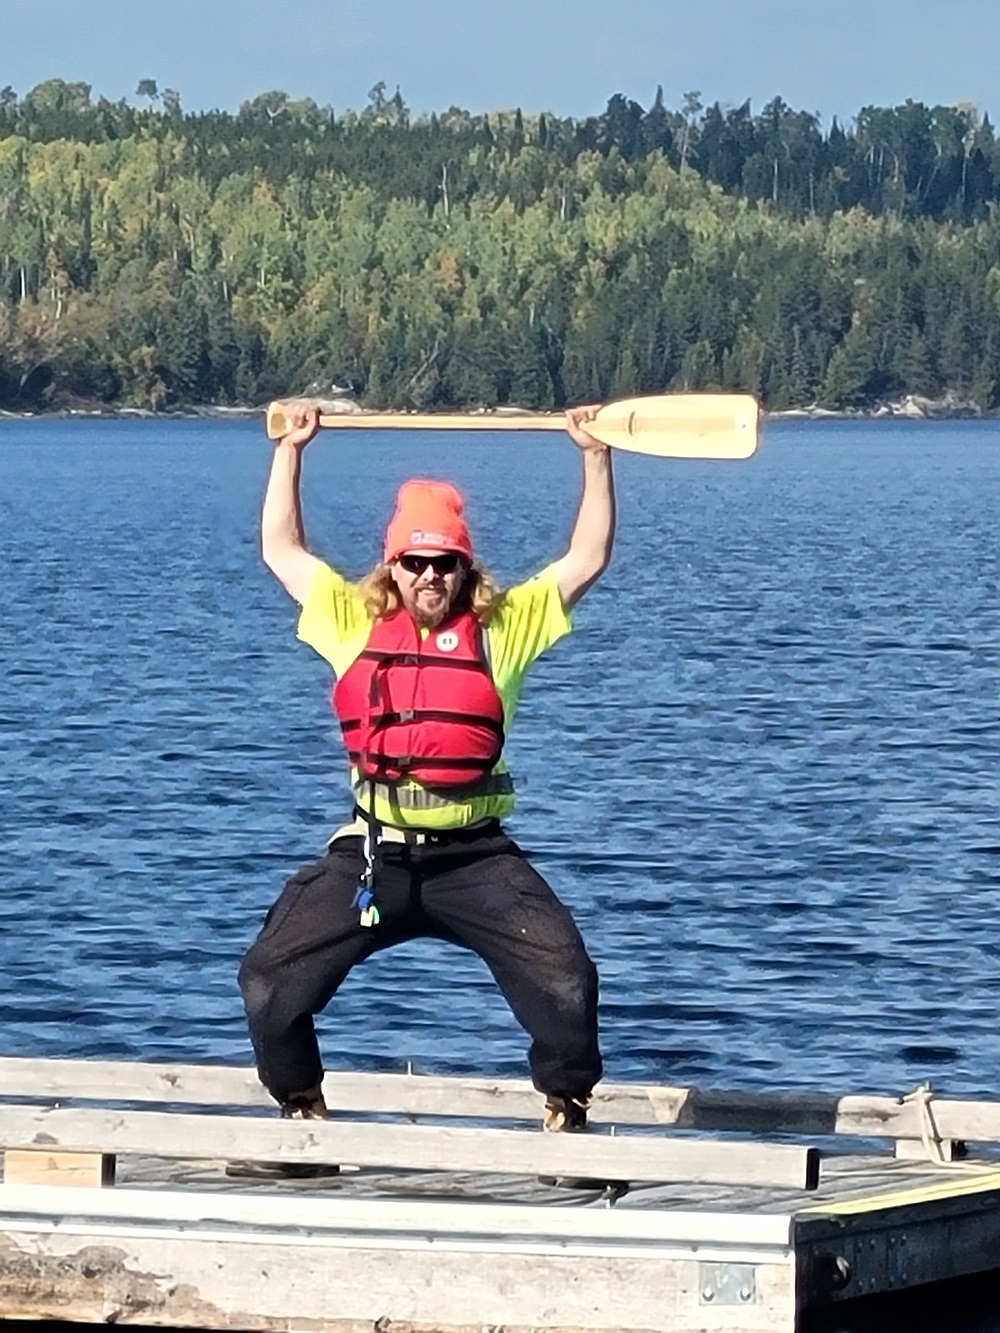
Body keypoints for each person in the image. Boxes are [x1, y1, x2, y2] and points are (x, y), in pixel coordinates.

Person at [238, 402, 616, 1146]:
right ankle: (302, 1114)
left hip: (474, 856)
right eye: (415, 562)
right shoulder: (352, 621)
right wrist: (291, 451)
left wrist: (595, 457)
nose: (430, 576)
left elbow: (587, 557)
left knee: (566, 975)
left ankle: (566, 1110)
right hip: (374, 854)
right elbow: (280, 547)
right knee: (268, 978)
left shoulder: (506, 627)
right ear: (393, 567)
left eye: (445, 562)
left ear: (465, 567)